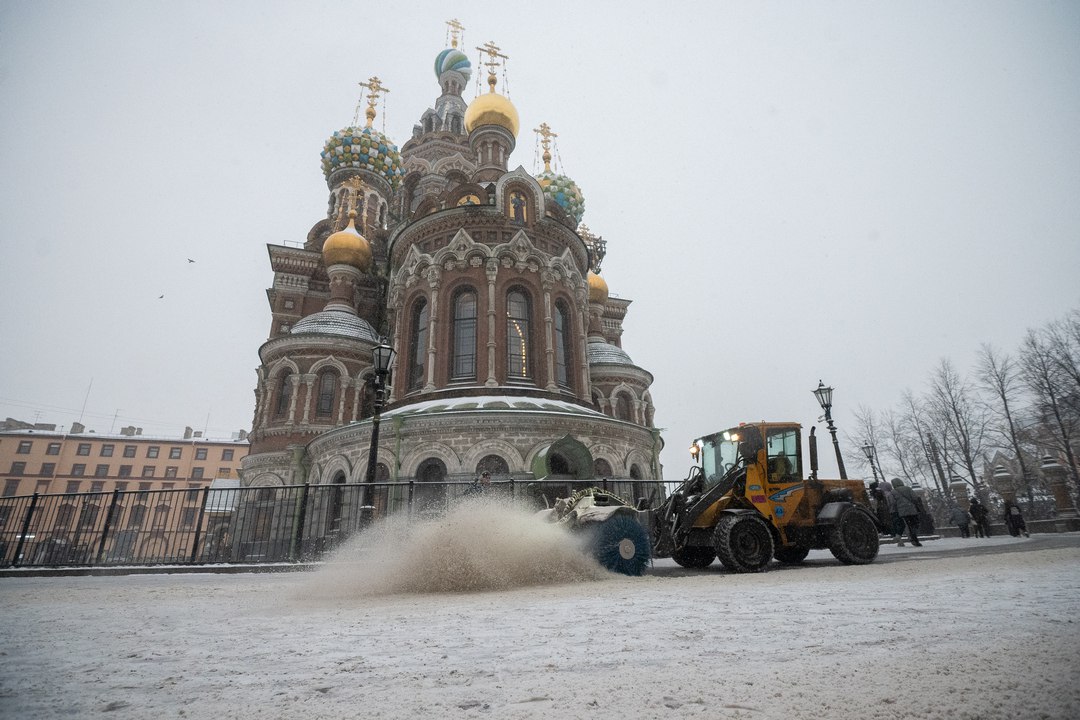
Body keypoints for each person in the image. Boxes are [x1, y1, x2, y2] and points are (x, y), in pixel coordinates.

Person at [890, 478, 922, 547]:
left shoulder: (893, 492)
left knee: (908, 524)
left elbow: (893, 502)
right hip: (912, 509)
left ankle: (913, 537)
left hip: (902, 511)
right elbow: (915, 498)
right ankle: (914, 535)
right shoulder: (908, 489)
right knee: (915, 523)